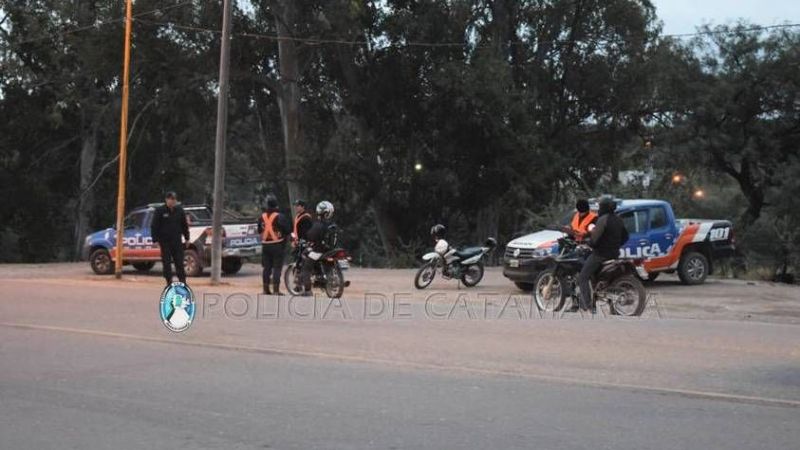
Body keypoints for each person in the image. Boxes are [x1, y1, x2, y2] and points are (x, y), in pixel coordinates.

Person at [576, 195, 629, 313]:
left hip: (600, 255)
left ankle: (588, 306)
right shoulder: (618, 219)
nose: (599, 208)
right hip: (615, 254)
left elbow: (595, 239)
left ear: (604, 207)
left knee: (583, 277)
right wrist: (616, 244)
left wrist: (589, 244)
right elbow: (626, 236)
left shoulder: (603, 219)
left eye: (600, 206)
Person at [151, 191, 190, 286]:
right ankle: (169, 282)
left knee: (179, 262)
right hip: (165, 242)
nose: (173, 201)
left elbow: (184, 225)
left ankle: (183, 281)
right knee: (167, 263)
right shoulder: (160, 211)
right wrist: (155, 239)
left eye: (174, 199)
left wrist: (187, 238)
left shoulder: (179, 210)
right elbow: (154, 225)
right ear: (166, 199)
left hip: (176, 241)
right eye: (171, 199)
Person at [299, 200, 335, 296]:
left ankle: (307, 290)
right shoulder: (333, 225)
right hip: (331, 251)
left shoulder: (318, 224)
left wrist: (306, 238)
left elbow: (310, 235)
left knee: (306, 268)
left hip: (319, 251)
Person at [258, 195, 291, 295]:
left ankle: (265, 289)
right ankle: (276, 290)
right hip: (277, 245)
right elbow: (287, 230)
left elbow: (259, 230)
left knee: (266, 268)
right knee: (277, 267)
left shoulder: (261, 217)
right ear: (276, 205)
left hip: (265, 245)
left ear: (267, 205)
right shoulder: (280, 216)